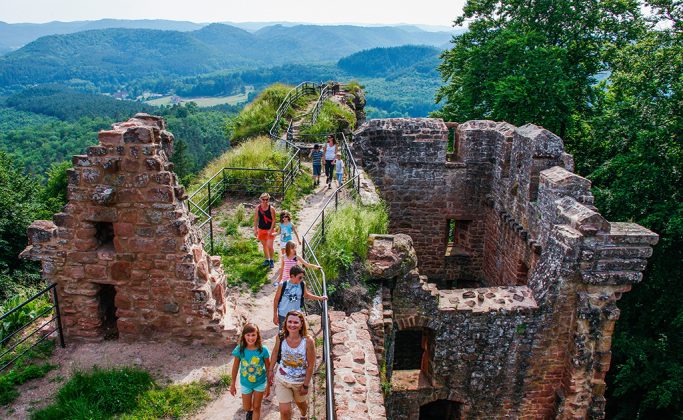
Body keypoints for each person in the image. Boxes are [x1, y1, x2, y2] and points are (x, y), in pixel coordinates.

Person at [268, 311, 316, 420]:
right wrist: (270, 370)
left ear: (301, 324)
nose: (292, 325)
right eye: (290, 322)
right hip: (282, 380)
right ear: (286, 323)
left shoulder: (308, 341)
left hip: (300, 382)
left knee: (301, 405)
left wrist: (305, 385)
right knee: (285, 412)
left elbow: (311, 365)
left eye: (296, 322)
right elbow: (275, 352)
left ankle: (303, 415)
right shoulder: (281, 336)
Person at [230, 323, 271, 420]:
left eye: (253, 335)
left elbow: (269, 368)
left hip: (259, 383)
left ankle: (254, 414)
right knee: (246, 407)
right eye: (248, 335)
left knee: (257, 407)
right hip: (245, 383)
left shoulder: (263, 350)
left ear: (258, 335)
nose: (251, 338)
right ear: (244, 336)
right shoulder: (240, 349)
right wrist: (232, 384)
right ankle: (250, 411)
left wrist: (268, 386)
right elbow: (235, 367)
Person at [273, 265, 327, 330]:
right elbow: (276, 300)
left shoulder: (302, 284)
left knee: (296, 333)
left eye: (302, 277)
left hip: (296, 314)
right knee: (283, 334)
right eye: (300, 277)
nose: (301, 279)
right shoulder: (283, 285)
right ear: (292, 276)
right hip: (283, 314)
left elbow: (306, 295)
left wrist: (320, 298)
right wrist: (275, 315)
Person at [254, 192, 277, 269]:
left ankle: (271, 260)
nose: (265, 201)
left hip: (269, 229)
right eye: (263, 199)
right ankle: (267, 259)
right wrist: (255, 229)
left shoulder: (271, 209)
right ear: (261, 199)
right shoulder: (258, 208)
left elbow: (274, 220)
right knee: (264, 245)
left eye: (266, 199)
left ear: (268, 199)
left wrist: (270, 230)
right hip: (261, 229)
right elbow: (256, 219)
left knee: (270, 246)